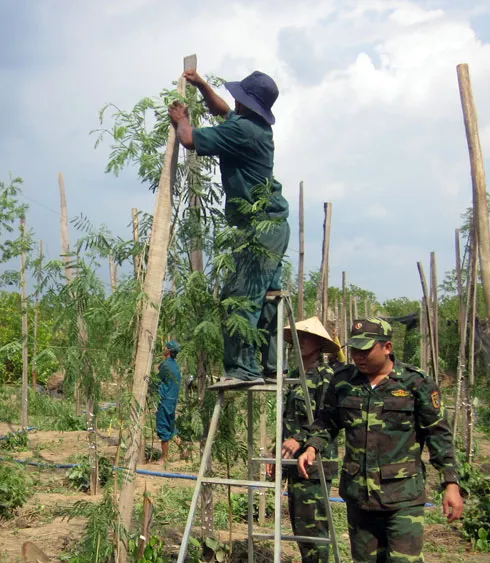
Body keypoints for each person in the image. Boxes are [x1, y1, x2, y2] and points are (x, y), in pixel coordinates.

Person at [295, 318, 464, 562]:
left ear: (387, 347)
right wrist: (312, 446)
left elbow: (438, 433)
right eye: (354, 350)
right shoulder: (344, 381)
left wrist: (451, 484)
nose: (358, 356)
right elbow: (328, 420)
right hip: (358, 497)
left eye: (365, 350)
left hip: (403, 498)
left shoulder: (415, 383)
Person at [168, 68, 290, 390]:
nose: (234, 102)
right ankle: (272, 365)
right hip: (273, 226)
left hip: (258, 231)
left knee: (239, 297)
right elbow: (223, 111)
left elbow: (189, 139)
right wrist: (203, 87)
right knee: (267, 298)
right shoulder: (256, 127)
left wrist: (181, 118)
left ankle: (242, 368)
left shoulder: (243, 132)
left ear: (246, 103)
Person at [276, 317, 340, 563]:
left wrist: (300, 439)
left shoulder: (326, 376)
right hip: (293, 462)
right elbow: (287, 419)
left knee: (314, 530)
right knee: (301, 529)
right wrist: (277, 448)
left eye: (307, 337)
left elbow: (328, 419)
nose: (301, 341)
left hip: (315, 463)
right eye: (297, 337)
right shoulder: (293, 377)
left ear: (319, 344)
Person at [153, 341, 182, 463]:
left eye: (165, 348)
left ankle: (164, 458)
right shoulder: (176, 366)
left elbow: (157, 380)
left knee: (163, 426)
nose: (163, 349)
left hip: (164, 400)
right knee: (171, 426)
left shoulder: (165, 365)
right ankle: (185, 450)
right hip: (172, 400)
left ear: (169, 351)